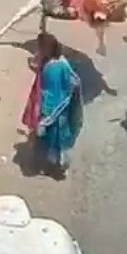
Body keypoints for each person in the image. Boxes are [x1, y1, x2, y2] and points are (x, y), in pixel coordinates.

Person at [24, 33, 83, 173]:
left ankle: (54, 165)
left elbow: (53, 92)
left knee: (52, 138)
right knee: (53, 138)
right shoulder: (58, 62)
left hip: (53, 108)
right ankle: (51, 163)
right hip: (54, 107)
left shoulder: (55, 67)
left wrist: (46, 115)